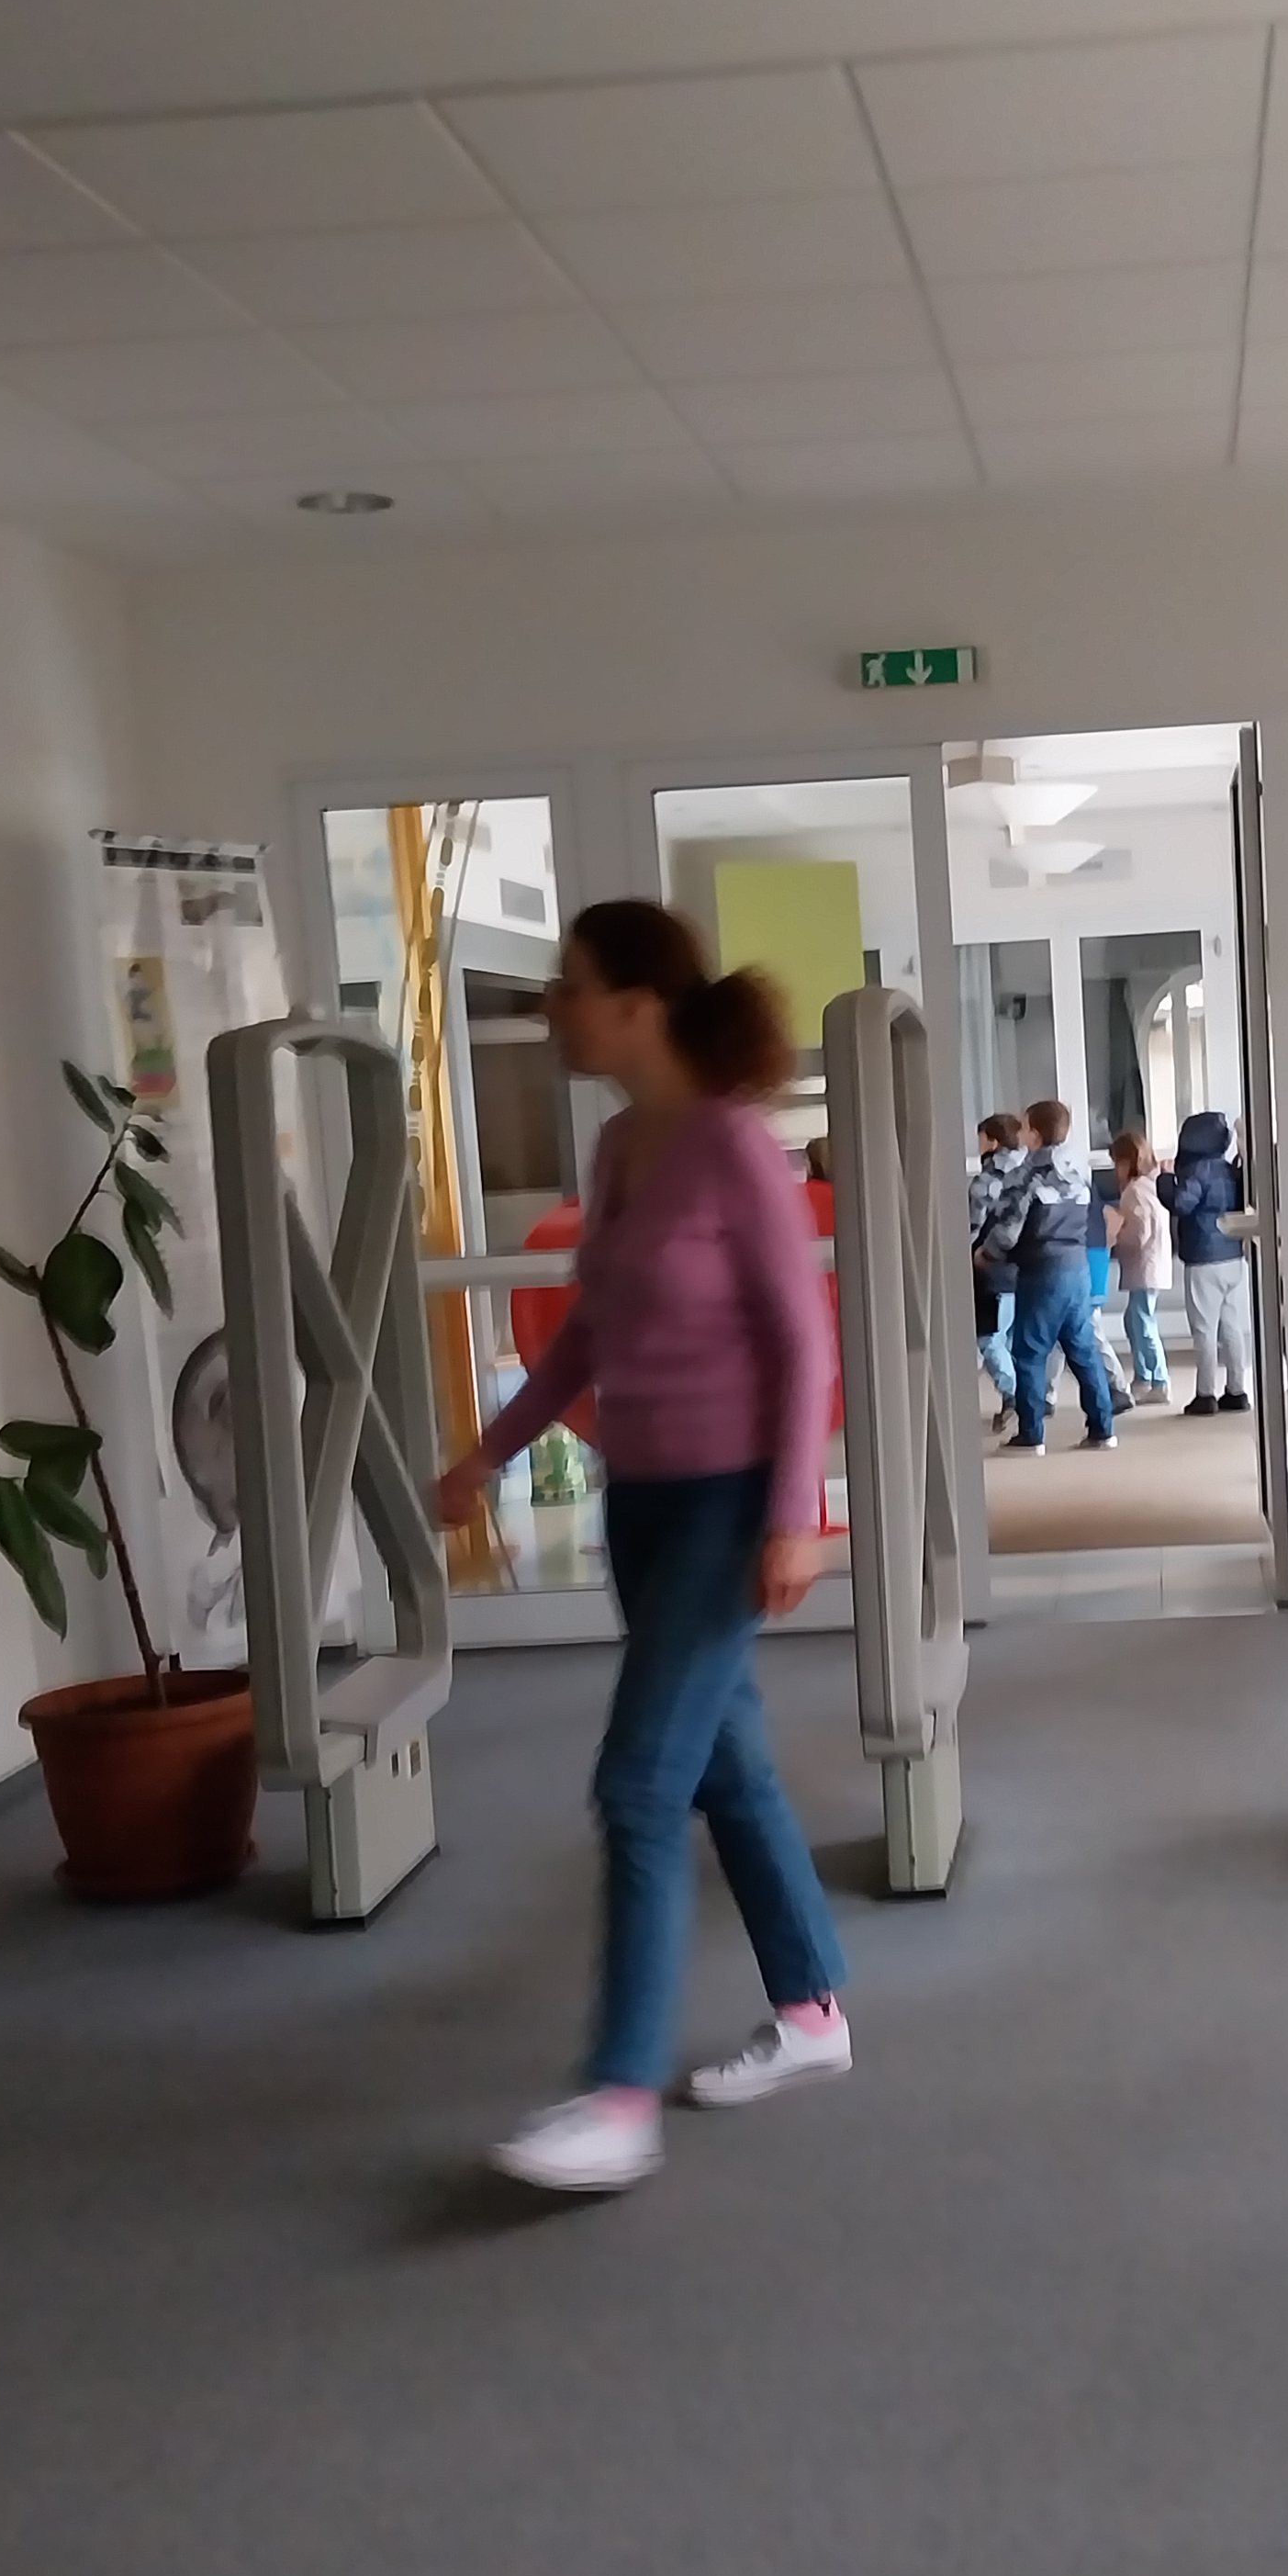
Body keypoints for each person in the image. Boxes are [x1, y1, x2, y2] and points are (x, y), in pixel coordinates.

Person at [433, 898, 849, 2195]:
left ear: (638, 1005)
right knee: (728, 1768)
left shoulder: (734, 1149)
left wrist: (794, 1514)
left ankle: (617, 2098)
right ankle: (812, 2014)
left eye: (568, 985)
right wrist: (489, 1455)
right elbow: (586, 1337)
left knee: (638, 1784)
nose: (550, 1008)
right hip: (643, 1504)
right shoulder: (619, 1146)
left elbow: (803, 1344)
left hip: (728, 1507)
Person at [975, 1097, 1118, 1455]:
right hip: (1077, 1268)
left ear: (1035, 1135)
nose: (1021, 1134)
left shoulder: (1027, 1175)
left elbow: (1009, 1229)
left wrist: (985, 1254)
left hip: (1042, 1270)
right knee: (1082, 1350)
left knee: (1029, 1353)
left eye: (1025, 1127)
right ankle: (1103, 1429)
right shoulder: (1078, 1171)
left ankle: (1031, 1434)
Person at [1158, 1108, 1252, 1414]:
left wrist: (1165, 1179)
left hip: (1203, 1258)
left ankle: (1205, 1393)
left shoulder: (1197, 1171)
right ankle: (1237, 1390)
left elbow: (1181, 1203)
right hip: (1233, 1255)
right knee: (1232, 1326)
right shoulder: (1230, 1169)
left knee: (1204, 1329)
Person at [1105, 1130, 1171, 1403]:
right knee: (1134, 1320)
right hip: (1151, 1266)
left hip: (1145, 1267)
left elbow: (1139, 1233)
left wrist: (1115, 1233)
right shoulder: (1151, 1185)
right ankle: (1144, 1377)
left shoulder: (1134, 1192)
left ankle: (1159, 1380)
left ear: (1126, 1162)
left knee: (1142, 1323)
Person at [968, 1108, 1025, 1422]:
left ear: (993, 1141)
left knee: (989, 1337)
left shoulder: (988, 1180)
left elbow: (973, 1226)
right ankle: (1024, 1397)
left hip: (991, 1267)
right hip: (1023, 1266)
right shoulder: (1029, 1172)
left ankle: (1013, 1396)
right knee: (1010, 1337)